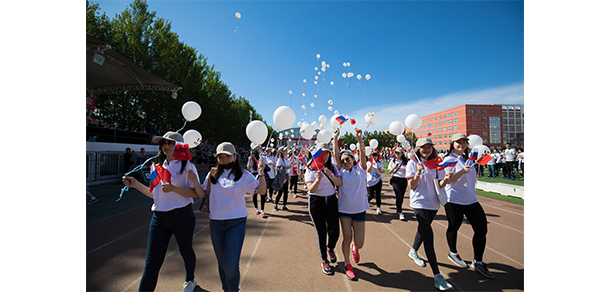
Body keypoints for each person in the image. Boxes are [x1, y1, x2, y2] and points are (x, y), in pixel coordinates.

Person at [121, 131, 200, 292]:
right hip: (159, 219)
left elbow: (196, 194)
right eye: (162, 144)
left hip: (182, 216)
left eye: (169, 143)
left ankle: (190, 279)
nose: (165, 147)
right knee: (152, 263)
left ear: (179, 146)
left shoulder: (188, 166)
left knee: (186, 251)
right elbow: (154, 195)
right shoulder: (155, 167)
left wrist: (173, 188)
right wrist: (135, 184)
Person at [192, 142, 266, 292]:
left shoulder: (244, 175)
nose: (224, 160)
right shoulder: (212, 174)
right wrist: (194, 180)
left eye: (227, 156)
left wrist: (262, 173)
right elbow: (201, 194)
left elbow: (262, 191)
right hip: (216, 223)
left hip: (236, 223)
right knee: (221, 263)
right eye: (221, 157)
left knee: (231, 265)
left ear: (235, 156)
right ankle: (226, 288)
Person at [443, 133, 495, 279]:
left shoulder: (470, 158)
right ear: (452, 144)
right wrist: (461, 172)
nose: (462, 144)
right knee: (454, 227)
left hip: (471, 200)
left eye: (464, 142)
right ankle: (453, 252)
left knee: (481, 228)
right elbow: (449, 181)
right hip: (454, 200)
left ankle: (478, 261)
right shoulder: (449, 160)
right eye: (458, 142)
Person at [405, 138, 453, 291]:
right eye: (423, 147)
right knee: (428, 234)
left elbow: (439, 184)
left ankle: (413, 251)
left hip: (434, 203)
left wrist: (445, 179)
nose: (426, 150)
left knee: (423, 229)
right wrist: (418, 172)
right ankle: (437, 275)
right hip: (419, 202)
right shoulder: (413, 163)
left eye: (429, 147)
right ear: (417, 148)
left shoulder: (437, 162)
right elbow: (412, 186)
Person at [332, 128, 368, 281]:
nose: (346, 162)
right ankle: (347, 263)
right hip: (345, 210)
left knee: (359, 242)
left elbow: (362, 154)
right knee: (347, 237)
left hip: (360, 210)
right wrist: (335, 139)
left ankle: (355, 248)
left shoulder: (362, 169)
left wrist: (360, 140)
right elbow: (335, 155)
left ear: (354, 159)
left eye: (348, 159)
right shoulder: (340, 171)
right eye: (343, 160)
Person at [304, 145, 342, 275]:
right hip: (316, 202)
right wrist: (318, 180)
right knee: (321, 231)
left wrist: (330, 175)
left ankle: (330, 248)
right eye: (323, 152)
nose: (325, 155)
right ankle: (324, 260)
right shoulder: (310, 168)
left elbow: (339, 183)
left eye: (327, 152)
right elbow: (311, 189)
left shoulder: (333, 167)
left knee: (335, 231)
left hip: (331, 200)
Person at [387, 147, 409, 220]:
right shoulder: (392, 161)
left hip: (403, 179)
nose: (397, 154)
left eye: (399, 153)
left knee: (401, 196)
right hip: (395, 179)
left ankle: (398, 207)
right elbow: (390, 171)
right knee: (398, 194)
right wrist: (394, 168)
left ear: (402, 153)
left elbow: (409, 171)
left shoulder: (406, 161)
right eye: (396, 152)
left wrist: (405, 169)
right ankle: (400, 212)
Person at [247, 149, 268, 218]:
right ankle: (256, 208)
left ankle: (262, 210)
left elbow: (265, 166)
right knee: (254, 193)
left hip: (261, 175)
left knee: (263, 194)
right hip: (254, 176)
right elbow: (249, 169)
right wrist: (249, 161)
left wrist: (262, 163)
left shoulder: (263, 158)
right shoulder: (251, 158)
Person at [274, 147, 295, 211]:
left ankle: (284, 205)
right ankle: (276, 204)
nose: (286, 151)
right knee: (280, 193)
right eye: (285, 150)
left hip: (286, 178)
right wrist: (285, 168)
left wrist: (293, 156)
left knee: (285, 193)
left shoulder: (286, 159)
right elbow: (277, 168)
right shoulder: (280, 159)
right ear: (282, 152)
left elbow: (290, 164)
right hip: (281, 178)